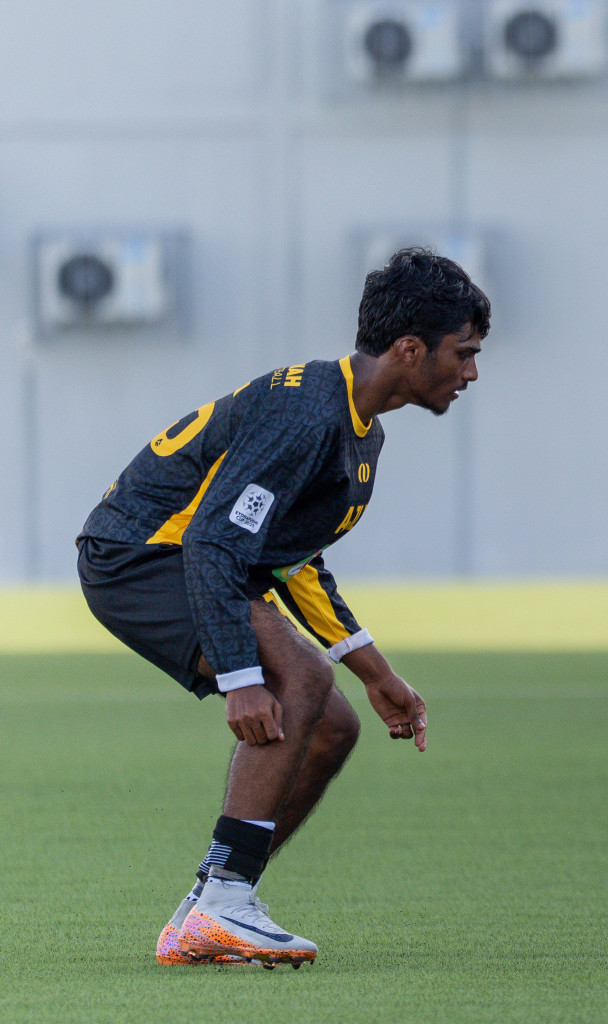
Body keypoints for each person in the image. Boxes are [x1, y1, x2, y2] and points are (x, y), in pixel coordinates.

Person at [76, 248, 488, 968]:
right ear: (410, 349)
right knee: (300, 683)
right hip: (142, 556)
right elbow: (211, 538)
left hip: (191, 559)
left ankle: (211, 905)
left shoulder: (361, 431)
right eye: (465, 353)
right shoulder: (307, 412)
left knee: (332, 727)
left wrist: (376, 672)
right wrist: (241, 677)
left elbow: (295, 559)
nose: (472, 373)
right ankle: (226, 900)